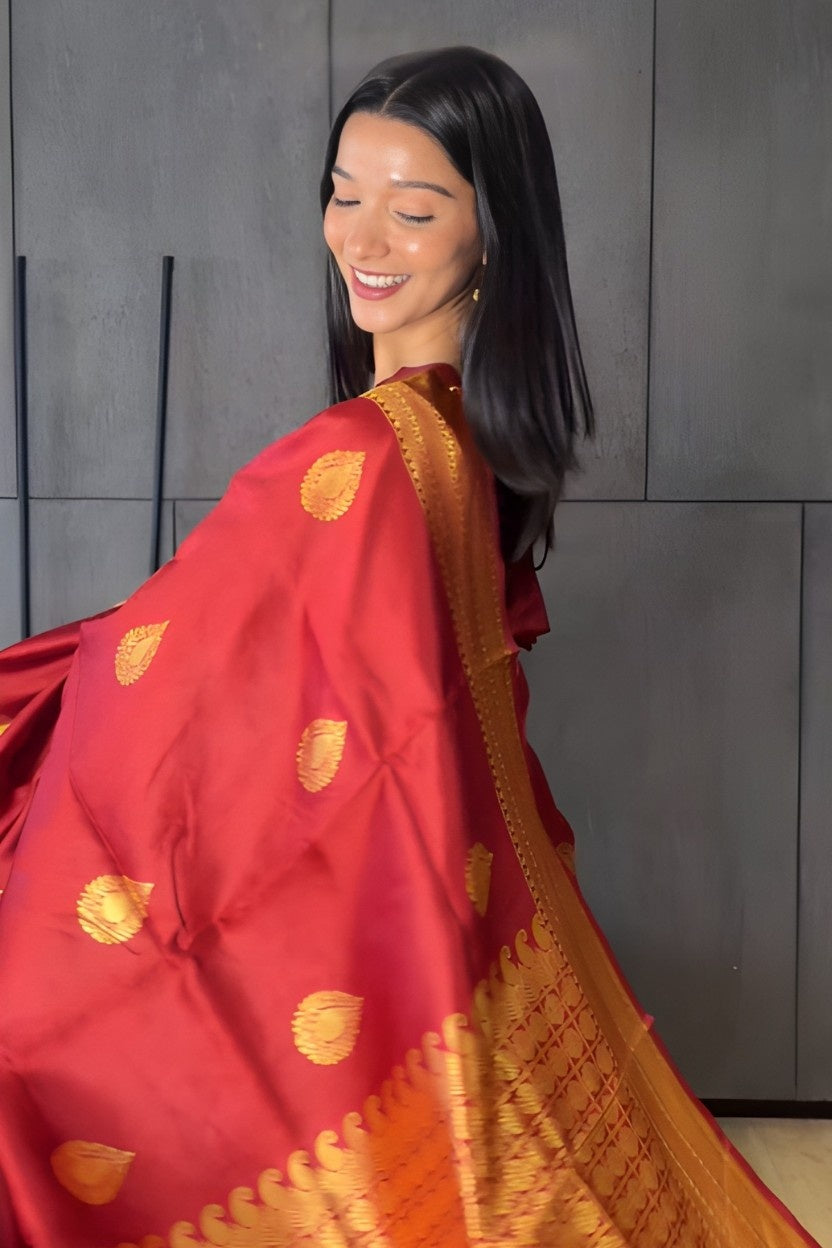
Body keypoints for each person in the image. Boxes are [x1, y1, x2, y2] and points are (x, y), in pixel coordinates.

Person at [0, 45, 819, 1248]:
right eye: (344, 193)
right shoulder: (450, 442)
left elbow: (167, 686)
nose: (364, 237)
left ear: (494, 236)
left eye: (416, 207)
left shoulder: (371, 456)